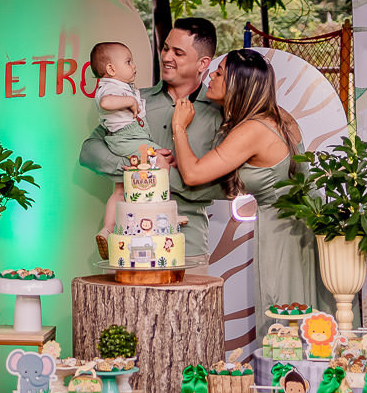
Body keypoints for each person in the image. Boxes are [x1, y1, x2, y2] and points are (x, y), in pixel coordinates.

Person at [169, 47, 318, 313]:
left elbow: (192, 175)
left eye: (219, 72)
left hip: (283, 233)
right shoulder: (277, 116)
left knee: (283, 315)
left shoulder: (253, 130)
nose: (210, 77)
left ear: (238, 84)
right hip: (299, 227)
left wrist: (179, 127)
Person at [79, 18, 224, 267]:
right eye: (166, 48)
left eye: (178, 52)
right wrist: (136, 168)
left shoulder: (217, 114)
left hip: (186, 248)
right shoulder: (132, 99)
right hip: (129, 244)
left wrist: (164, 177)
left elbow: (226, 187)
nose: (166, 56)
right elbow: (89, 151)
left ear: (203, 63)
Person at [88, 40, 165, 256]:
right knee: (161, 161)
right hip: (128, 136)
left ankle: (107, 229)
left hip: (123, 138)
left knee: (120, 189)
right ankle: (163, 214)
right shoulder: (110, 86)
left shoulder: (121, 85)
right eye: (128, 62)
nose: (134, 66)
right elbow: (105, 103)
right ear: (111, 69)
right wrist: (129, 100)